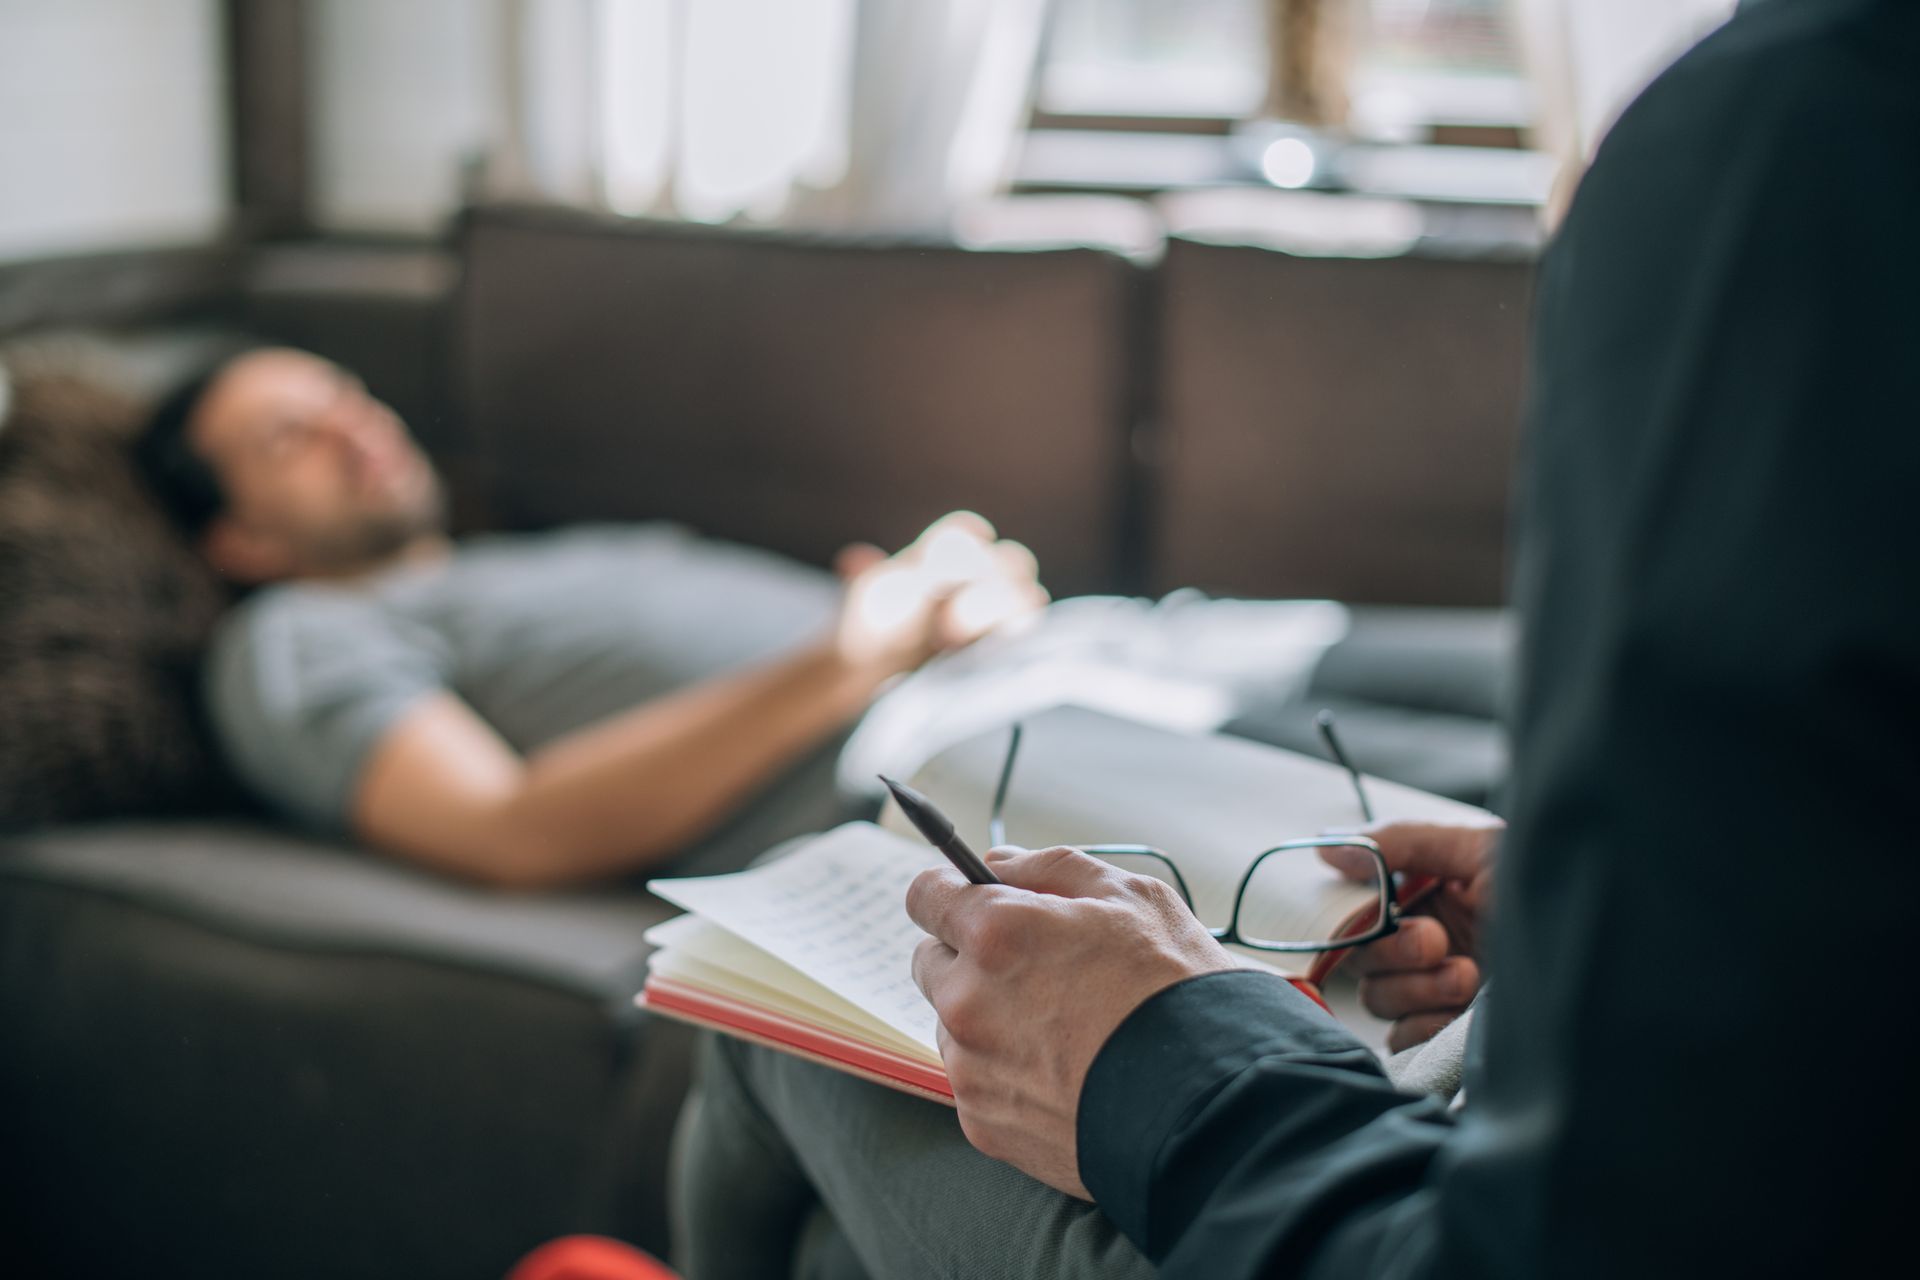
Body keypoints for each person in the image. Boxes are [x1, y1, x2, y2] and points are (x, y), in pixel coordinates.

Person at [673, 0, 1917, 1275]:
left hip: (1075, 655)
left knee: (768, 1034)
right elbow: (512, 822)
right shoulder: (452, 605)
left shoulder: (1796, 141)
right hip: (949, 690)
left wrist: (1173, 1059)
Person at [136, 346, 1045, 887]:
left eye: (343, 396)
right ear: (239, 540)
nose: (352, 427)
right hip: (932, 759)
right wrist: (860, 653)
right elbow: (505, 831)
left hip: (1039, 664)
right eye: (290, 437)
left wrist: (950, 601)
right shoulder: (295, 634)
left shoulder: (518, 560)